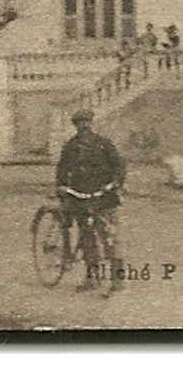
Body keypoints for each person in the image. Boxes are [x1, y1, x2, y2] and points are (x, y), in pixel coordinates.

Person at [55, 108, 126, 295]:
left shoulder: (104, 144)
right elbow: (62, 170)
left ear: (91, 124)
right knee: (87, 238)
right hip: (81, 197)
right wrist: (62, 186)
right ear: (76, 126)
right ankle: (92, 278)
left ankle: (117, 280)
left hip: (104, 198)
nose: (83, 127)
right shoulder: (70, 147)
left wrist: (114, 184)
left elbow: (119, 166)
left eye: (86, 123)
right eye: (79, 124)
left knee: (109, 238)